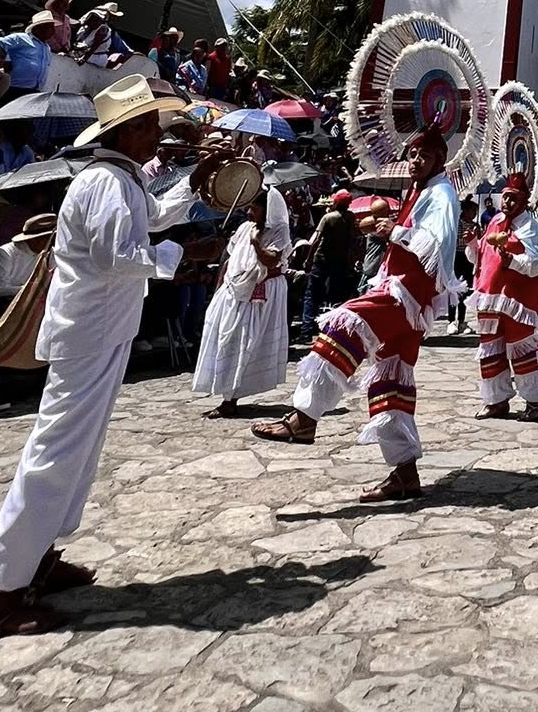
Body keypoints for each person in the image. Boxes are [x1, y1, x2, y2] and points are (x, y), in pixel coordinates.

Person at [0, 76, 187, 637]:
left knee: (77, 450)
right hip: (89, 333)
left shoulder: (120, 180)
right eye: (151, 127)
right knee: (57, 449)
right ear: (130, 129)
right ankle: (6, 590)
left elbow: (152, 218)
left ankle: (36, 556)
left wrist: (196, 186)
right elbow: (121, 254)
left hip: (99, 332)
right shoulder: (108, 184)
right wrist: (177, 257)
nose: (158, 137)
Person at [254, 128, 461, 500]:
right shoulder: (420, 190)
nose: (415, 161)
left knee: (341, 328)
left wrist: (395, 231)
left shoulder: (442, 194)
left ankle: (304, 418)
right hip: (403, 292)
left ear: (440, 160)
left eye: (424, 156)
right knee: (389, 380)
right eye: (412, 155)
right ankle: (405, 473)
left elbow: (435, 245)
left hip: (406, 295)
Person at [192, 193, 290, 417]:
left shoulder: (279, 230)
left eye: (254, 209)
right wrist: (218, 289)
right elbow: (230, 259)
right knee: (224, 338)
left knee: (243, 341)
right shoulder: (245, 226)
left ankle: (231, 399)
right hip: (234, 289)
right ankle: (225, 392)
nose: (249, 212)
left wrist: (256, 243)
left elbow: (271, 260)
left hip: (259, 293)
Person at [473, 172, 538, 420]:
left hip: (518, 299)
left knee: (522, 349)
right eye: (504, 197)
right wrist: (472, 245)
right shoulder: (494, 221)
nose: (506, 203)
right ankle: (497, 401)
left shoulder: (532, 225)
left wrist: (514, 261)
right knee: (491, 350)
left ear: (524, 201)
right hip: (490, 295)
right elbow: (483, 257)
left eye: (512, 199)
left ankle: (533, 402)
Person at [302, 190, 360, 338]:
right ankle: (333, 328)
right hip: (340, 260)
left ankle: (307, 328)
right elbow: (352, 239)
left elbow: (316, 240)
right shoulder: (350, 217)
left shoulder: (328, 217)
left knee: (312, 294)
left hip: (322, 259)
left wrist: (308, 259)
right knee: (335, 295)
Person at [0, 12, 57, 96]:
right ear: (40, 27)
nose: (54, 31)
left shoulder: (46, 47)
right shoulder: (21, 38)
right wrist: (6, 60)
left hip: (34, 90)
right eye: (50, 27)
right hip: (14, 88)